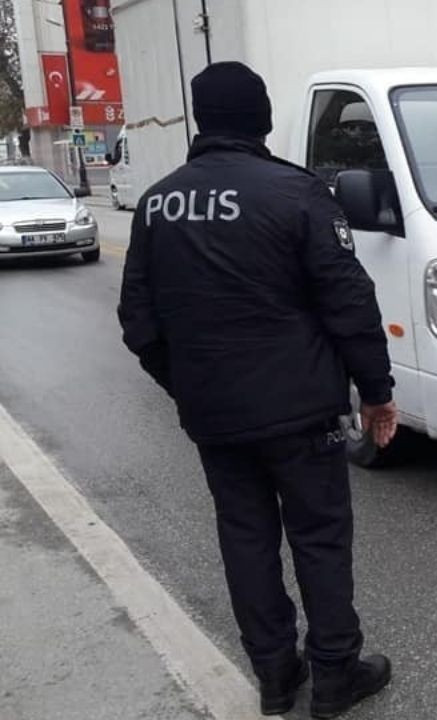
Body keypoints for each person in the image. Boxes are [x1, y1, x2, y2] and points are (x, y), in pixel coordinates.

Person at [118, 61, 396, 718]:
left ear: (201, 119)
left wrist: (188, 385)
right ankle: (334, 675)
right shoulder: (295, 194)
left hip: (216, 415)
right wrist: (377, 392)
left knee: (244, 537)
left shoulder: (158, 203)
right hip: (301, 410)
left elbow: (139, 323)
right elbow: (349, 305)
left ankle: (275, 676)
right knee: (319, 536)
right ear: (262, 119)